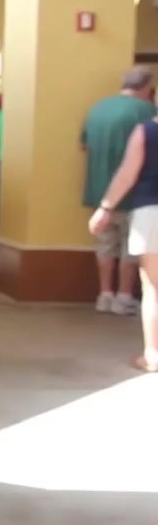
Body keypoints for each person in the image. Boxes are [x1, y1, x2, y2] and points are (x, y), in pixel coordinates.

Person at [81, 66, 157, 315]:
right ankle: (124, 296)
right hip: (136, 193)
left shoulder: (97, 108)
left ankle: (104, 294)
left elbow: (83, 144)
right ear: (147, 86)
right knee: (130, 247)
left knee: (104, 244)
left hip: (99, 189)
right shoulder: (146, 111)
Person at [89, 105, 158, 373]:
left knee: (154, 286)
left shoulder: (146, 131)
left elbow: (128, 173)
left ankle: (153, 353)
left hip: (151, 212)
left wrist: (106, 207)